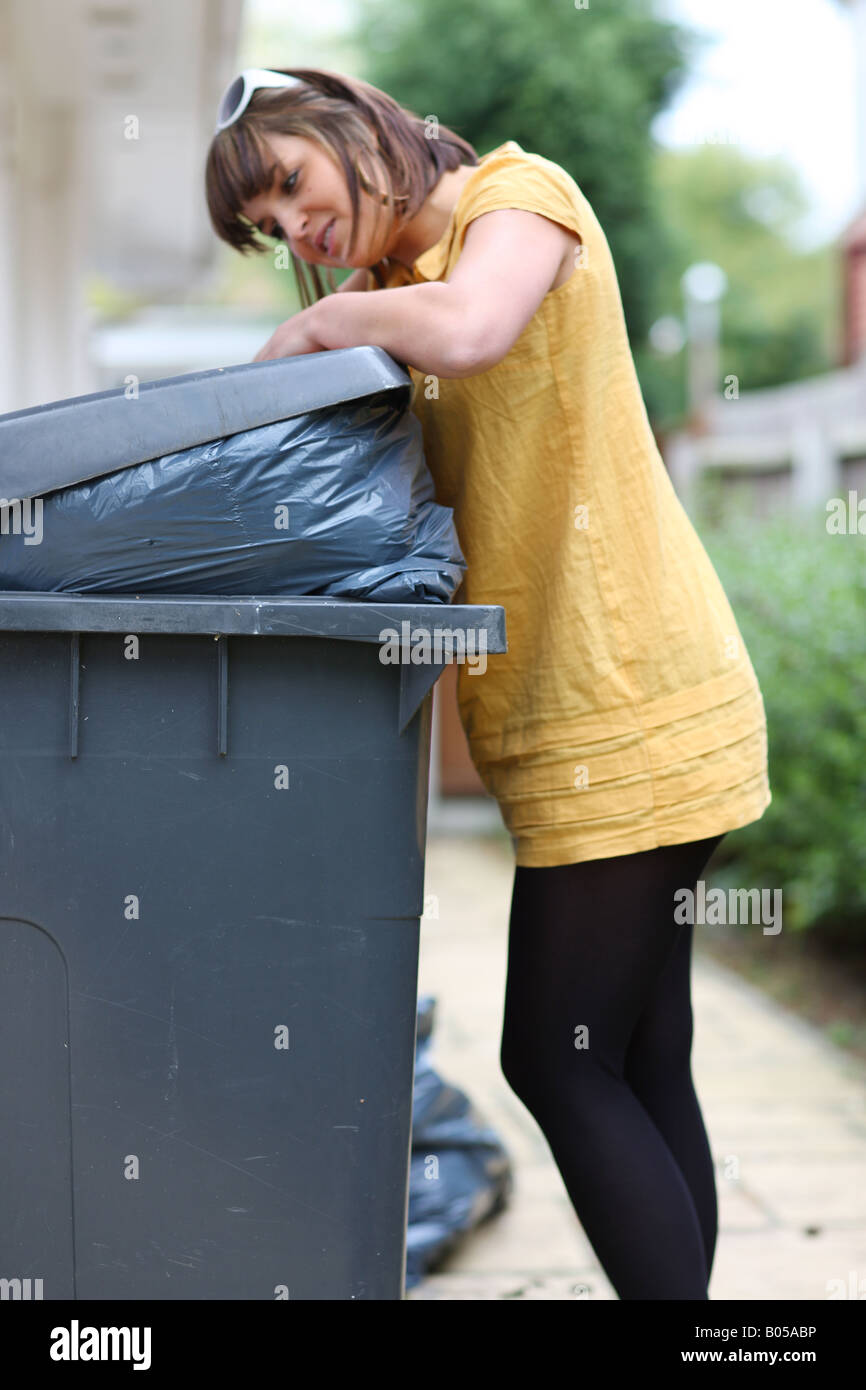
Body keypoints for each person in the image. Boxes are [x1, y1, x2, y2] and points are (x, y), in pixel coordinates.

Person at [205, 67, 772, 1300]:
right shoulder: (393, 291)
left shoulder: (514, 203)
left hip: (632, 697)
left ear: (354, 127)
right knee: (641, 1055)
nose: (292, 232)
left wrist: (320, 323)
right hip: (552, 717)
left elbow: (475, 331)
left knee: (556, 1058)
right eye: (267, 230)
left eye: (291, 185)